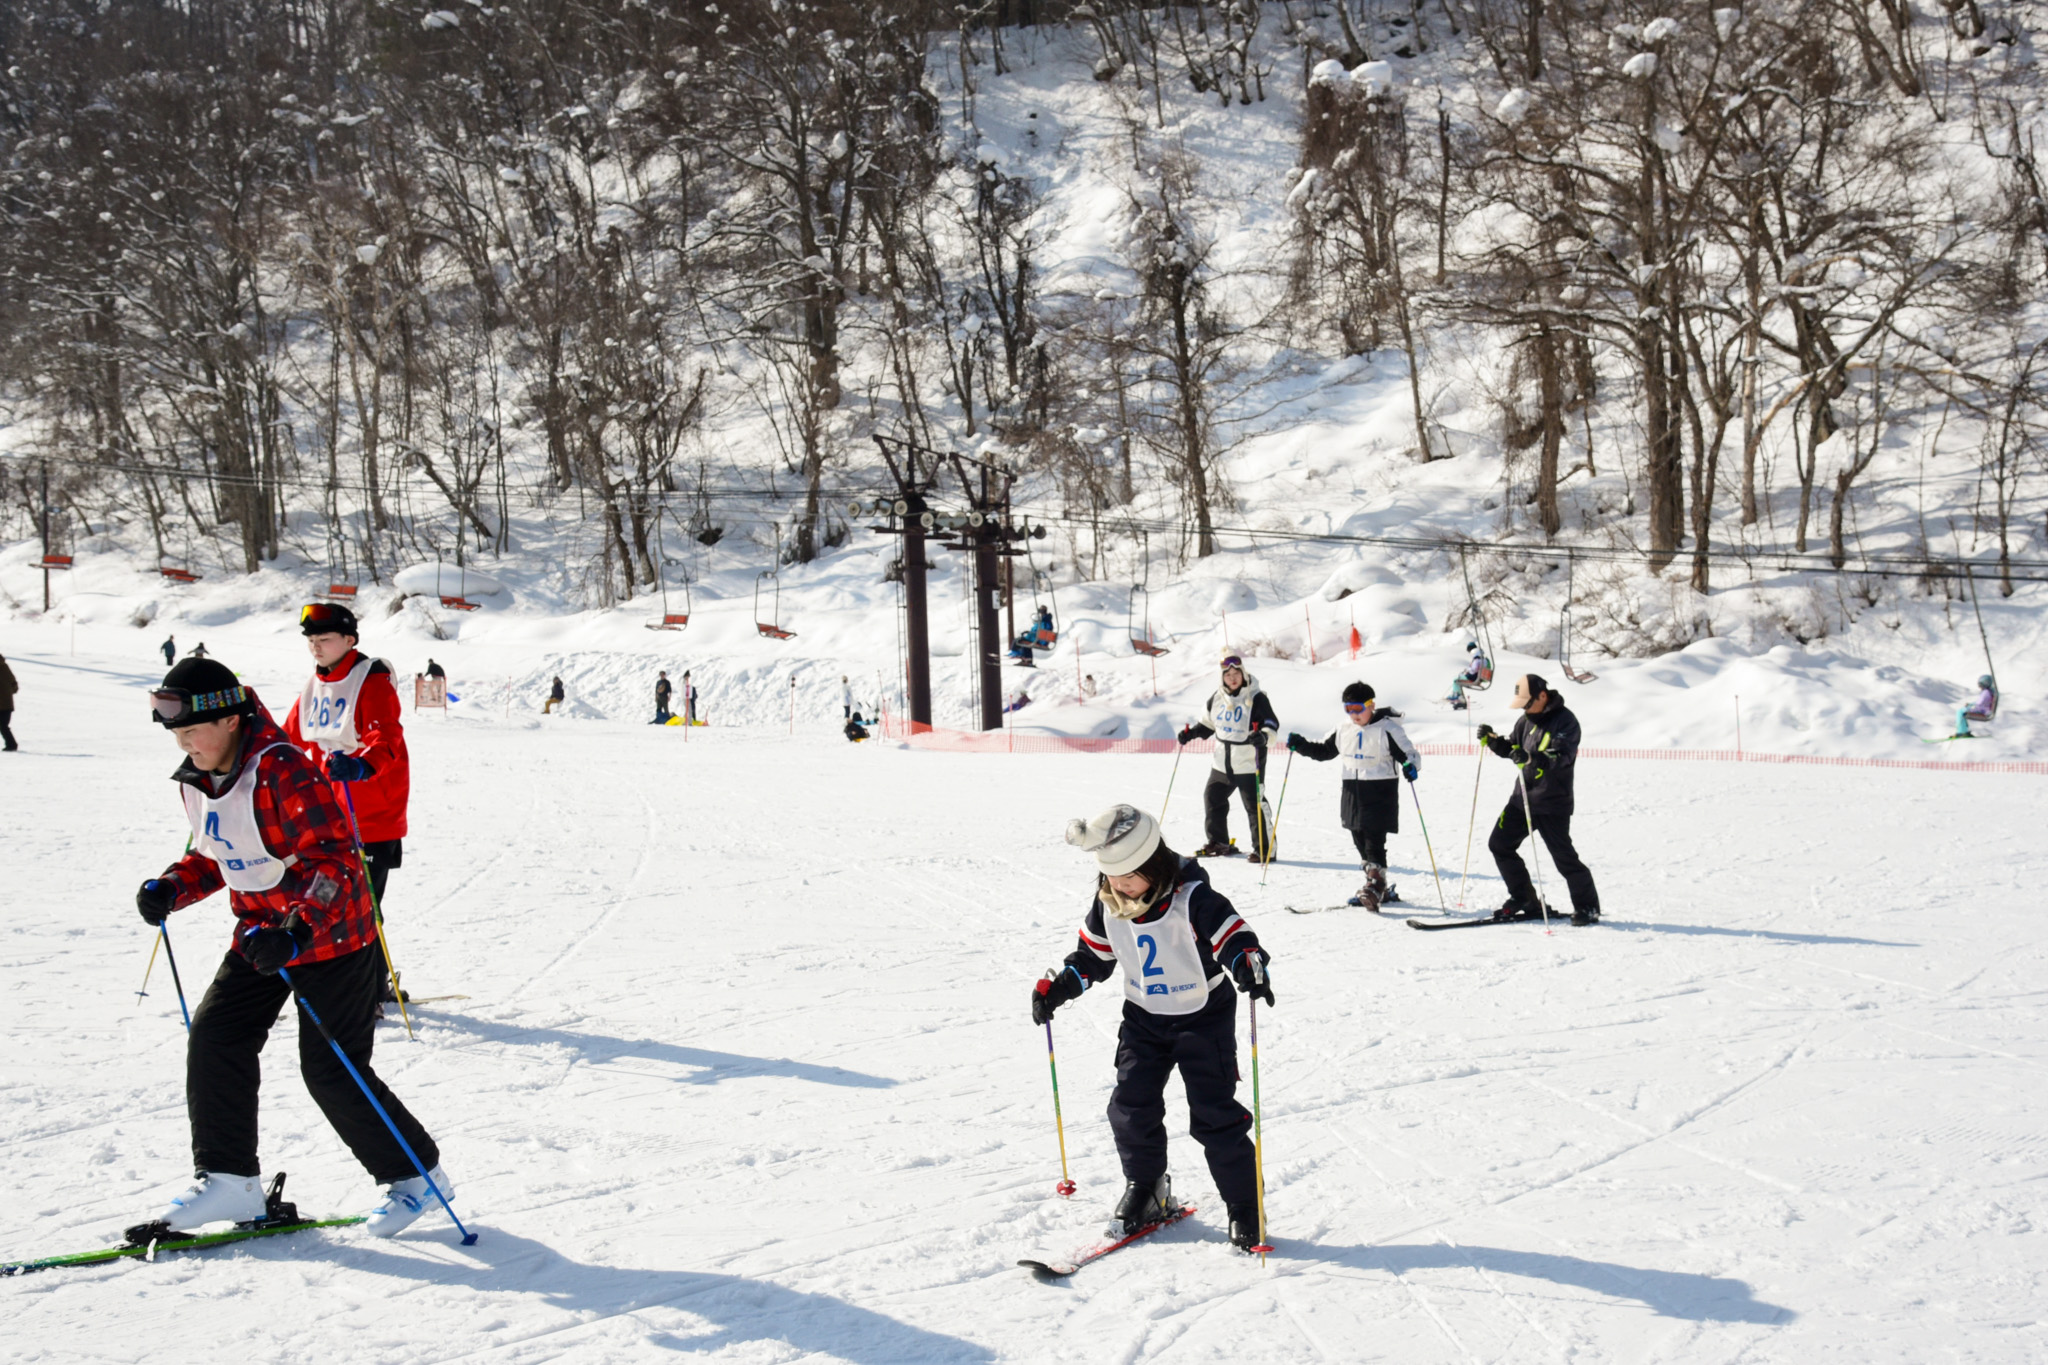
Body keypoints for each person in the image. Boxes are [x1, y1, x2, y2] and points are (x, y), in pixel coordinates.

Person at [135, 657, 453, 1238]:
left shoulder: (284, 772)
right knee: (216, 1037)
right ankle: (231, 1180)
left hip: (330, 938)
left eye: (191, 730)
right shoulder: (203, 777)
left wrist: (298, 929)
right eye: (176, 735)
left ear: (230, 721)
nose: (185, 744)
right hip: (261, 937)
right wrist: (173, 886)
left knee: (331, 1071)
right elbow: (219, 852)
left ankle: (417, 1180)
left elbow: (335, 862)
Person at [1031, 804, 1274, 1252]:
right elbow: (1094, 956)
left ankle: (1245, 1206)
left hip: (1203, 1017)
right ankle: (1147, 1188)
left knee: (1215, 1115)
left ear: (1156, 865)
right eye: (1111, 878)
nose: (1118, 887)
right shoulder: (1109, 904)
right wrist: (1062, 986)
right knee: (1130, 1106)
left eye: (1129, 878)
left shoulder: (1193, 898)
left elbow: (1234, 936)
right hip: (1144, 1017)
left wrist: (1247, 963)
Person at [282, 603, 411, 1003]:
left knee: (362, 904)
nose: (315, 648)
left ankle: (369, 988)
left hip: (370, 814)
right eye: (311, 641)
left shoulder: (370, 681)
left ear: (350, 640)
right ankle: (353, 984)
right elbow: (288, 737)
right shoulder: (316, 684)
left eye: (324, 640)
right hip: (328, 813)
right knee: (329, 900)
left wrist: (359, 765)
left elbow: (386, 739)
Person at [1477, 673, 1601, 926]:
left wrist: (1532, 758)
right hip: (1522, 799)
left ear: (1542, 695)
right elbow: (1513, 748)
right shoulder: (1525, 721)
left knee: (1564, 858)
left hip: (1552, 802)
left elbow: (1562, 755)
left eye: (1527, 702)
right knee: (1499, 844)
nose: (1523, 708)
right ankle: (1524, 899)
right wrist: (1492, 740)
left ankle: (1588, 907)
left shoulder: (1566, 721)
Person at [1286, 681, 1419, 911]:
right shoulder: (1343, 729)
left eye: (1358, 708)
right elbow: (1325, 752)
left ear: (1371, 705)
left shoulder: (1389, 729)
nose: (1353, 714)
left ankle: (1375, 884)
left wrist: (1410, 765)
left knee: (1373, 838)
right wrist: (1301, 746)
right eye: (1348, 709)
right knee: (1357, 835)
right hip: (1351, 790)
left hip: (1379, 790)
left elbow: (1408, 753)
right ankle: (1377, 885)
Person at [1177, 651, 1279, 862]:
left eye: (1236, 673)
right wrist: (1191, 734)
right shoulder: (1216, 698)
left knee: (1255, 806)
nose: (1232, 678)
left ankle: (1265, 849)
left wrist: (1263, 736)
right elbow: (1207, 725)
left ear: (1243, 673)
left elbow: (1271, 724)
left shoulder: (1257, 698)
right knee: (1213, 797)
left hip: (1249, 763)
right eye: (1227, 674)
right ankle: (1219, 843)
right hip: (1222, 762)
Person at [1448, 641, 1491, 711]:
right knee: (1458, 679)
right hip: (1478, 677)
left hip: (1473, 678)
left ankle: (1457, 697)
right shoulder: (1484, 660)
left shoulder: (1477, 660)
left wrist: (1467, 669)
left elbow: (1473, 670)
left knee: (1456, 680)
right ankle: (1459, 697)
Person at [0, 651, 17, 752]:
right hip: (7, 704)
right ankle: (11, 744)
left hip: (3, 704)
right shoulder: (5, 667)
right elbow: (14, 683)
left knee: (3, 726)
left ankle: (12, 745)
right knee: (3, 725)